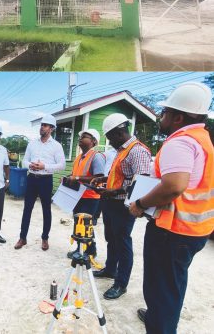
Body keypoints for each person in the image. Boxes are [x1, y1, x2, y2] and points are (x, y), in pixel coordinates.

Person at [129, 82, 214, 334]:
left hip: (172, 232)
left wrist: (140, 204)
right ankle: (159, 316)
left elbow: (174, 186)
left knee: (160, 289)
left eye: (165, 113)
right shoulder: (203, 140)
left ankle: (160, 323)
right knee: (172, 286)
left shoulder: (180, 142)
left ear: (178, 117)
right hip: (194, 230)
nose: (161, 117)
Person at [91, 113, 151, 300]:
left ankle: (121, 283)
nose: (110, 142)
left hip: (123, 207)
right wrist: (104, 179)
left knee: (123, 242)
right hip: (110, 202)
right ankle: (110, 270)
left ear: (119, 133)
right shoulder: (121, 151)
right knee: (112, 239)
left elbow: (140, 183)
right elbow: (120, 175)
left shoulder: (137, 151)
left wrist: (114, 192)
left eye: (110, 138)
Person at [14, 114, 66, 251]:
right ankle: (22, 238)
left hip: (45, 180)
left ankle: (45, 238)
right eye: (42, 125)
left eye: (45, 125)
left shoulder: (56, 146)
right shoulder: (32, 143)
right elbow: (24, 161)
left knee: (46, 210)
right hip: (32, 179)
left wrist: (45, 167)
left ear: (52, 129)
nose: (42, 127)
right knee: (27, 209)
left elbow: (62, 165)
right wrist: (30, 165)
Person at [64, 129, 105, 256]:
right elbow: (76, 174)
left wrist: (76, 178)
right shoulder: (79, 158)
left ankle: (90, 251)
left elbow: (99, 177)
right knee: (79, 223)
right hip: (78, 196)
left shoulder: (96, 156)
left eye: (85, 136)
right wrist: (68, 177)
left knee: (86, 225)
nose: (80, 138)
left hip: (90, 197)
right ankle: (81, 249)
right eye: (80, 136)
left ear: (93, 141)